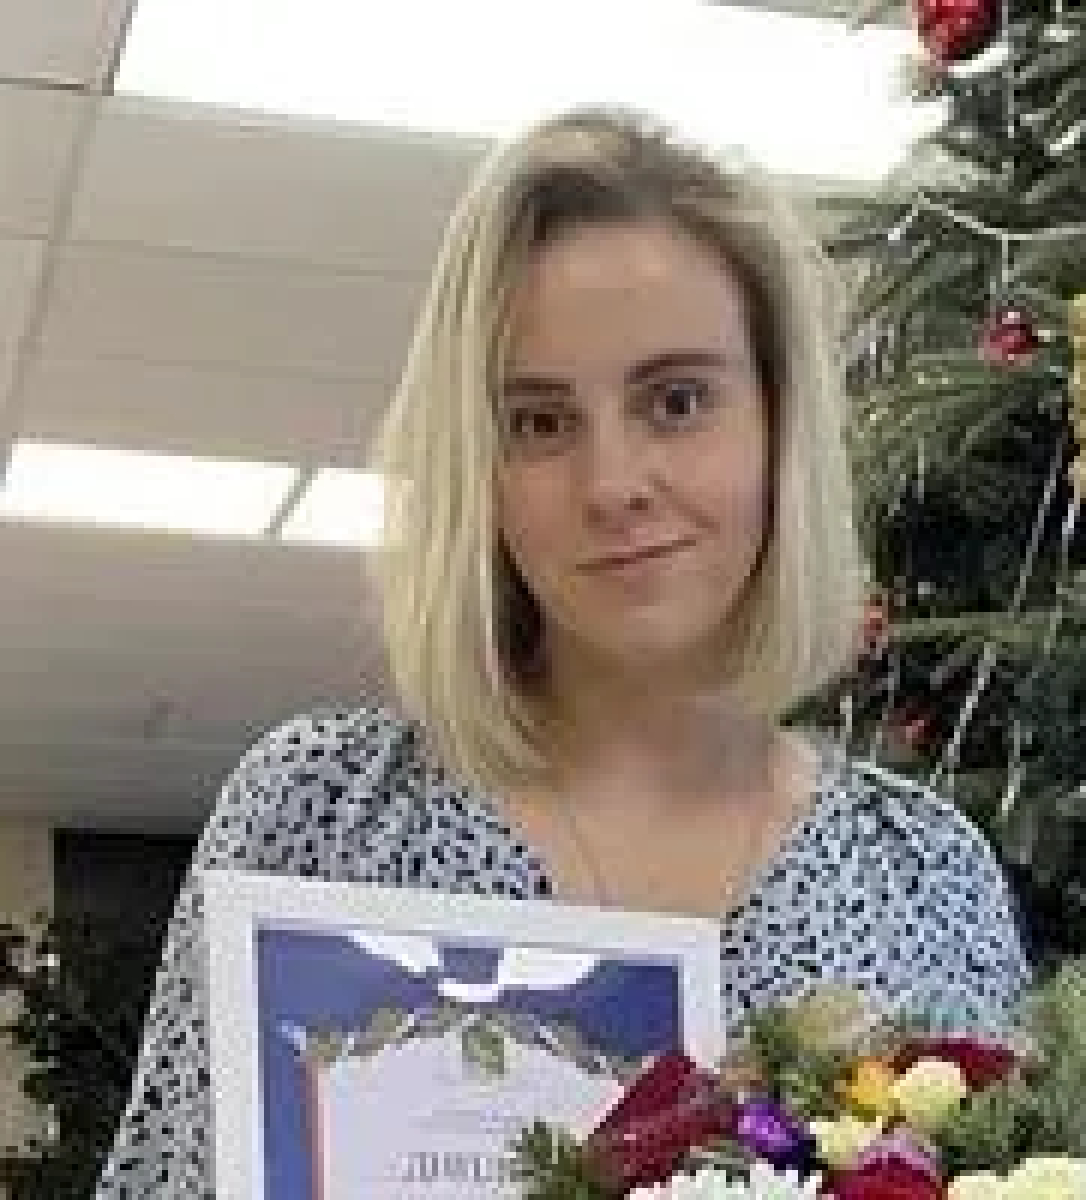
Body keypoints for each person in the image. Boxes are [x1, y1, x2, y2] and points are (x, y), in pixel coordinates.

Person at [95, 106, 1030, 1198]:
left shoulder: (924, 878)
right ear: (476, 467)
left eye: (676, 401)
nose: (613, 484)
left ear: (780, 426)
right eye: (540, 422)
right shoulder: (321, 817)